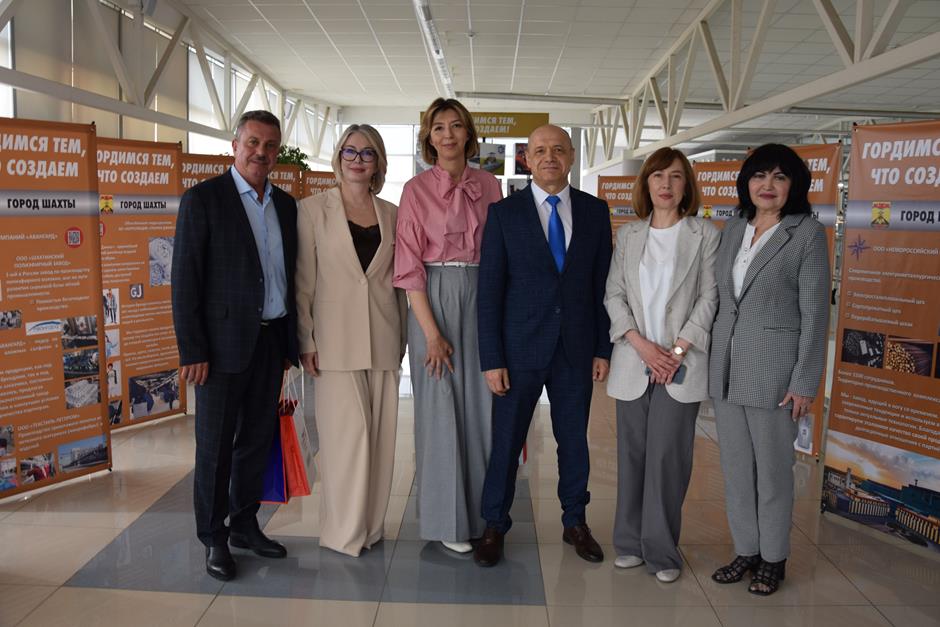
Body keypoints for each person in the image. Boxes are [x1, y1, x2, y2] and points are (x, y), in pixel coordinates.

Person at [474, 124, 613, 567]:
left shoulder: (595, 211)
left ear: (570, 156)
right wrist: (492, 358)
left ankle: (575, 522)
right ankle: (494, 524)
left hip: (576, 349)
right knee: (506, 443)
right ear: (527, 160)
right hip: (518, 351)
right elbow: (489, 291)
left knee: (573, 442)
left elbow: (602, 286)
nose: (549, 157)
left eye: (557, 149)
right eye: (539, 150)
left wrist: (603, 348)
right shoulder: (504, 214)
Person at [171, 110, 299, 582]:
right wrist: (193, 350)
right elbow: (184, 280)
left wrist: (291, 343)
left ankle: (245, 524)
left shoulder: (286, 206)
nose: (261, 153)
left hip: (271, 342)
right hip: (220, 350)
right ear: (235, 145)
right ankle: (213, 537)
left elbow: (289, 277)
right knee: (215, 447)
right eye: (253, 143)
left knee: (255, 442)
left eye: (270, 145)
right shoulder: (203, 200)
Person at [708, 143, 830, 595]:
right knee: (737, 471)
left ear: (794, 185)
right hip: (726, 369)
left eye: (779, 177)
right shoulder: (733, 227)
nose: (768, 185)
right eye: (760, 175)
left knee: (774, 474)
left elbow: (815, 314)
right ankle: (746, 549)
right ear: (747, 182)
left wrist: (805, 381)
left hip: (775, 375)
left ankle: (773, 558)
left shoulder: (806, 234)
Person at [603, 148, 719, 583]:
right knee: (632, 456)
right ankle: (629, 543)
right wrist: (641, 346)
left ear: (686, 185)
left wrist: (677, 351)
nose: (666, 184)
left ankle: (662, 551)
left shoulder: (705, 234)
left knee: (668, 459)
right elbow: (614, 295)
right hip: (634, 360)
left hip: (679, 364)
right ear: (646, 184)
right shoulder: (629, 235)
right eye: (657, 176)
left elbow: (710, 296)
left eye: (675, 176)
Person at [394, 98, 502, 554]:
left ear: (468, 134)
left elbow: (501, 251)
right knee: (439, 411)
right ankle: (447, 522)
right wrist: (432, 334)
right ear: (429, 137)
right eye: (439, 127)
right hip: (432, 297)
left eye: (456, 126)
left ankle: (483, 515)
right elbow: (408, 268)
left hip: (482, 293)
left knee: (482, 408)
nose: (448, 135)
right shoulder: (415, 189)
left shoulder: (490, 184)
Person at [295, 124, 407, 557]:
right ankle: (342, 532)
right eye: (350, 151)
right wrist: (305, 338)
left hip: (383, 337)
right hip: (334, 341)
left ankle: (370, 527)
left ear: (378, 162)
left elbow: (400, 283)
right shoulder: (312, 211)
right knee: (347, 439)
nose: (358, 160)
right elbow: (303, 282)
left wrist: (403, 340)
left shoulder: (393, 213)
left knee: (380, 440)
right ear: (338, 157)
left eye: (367, 153)